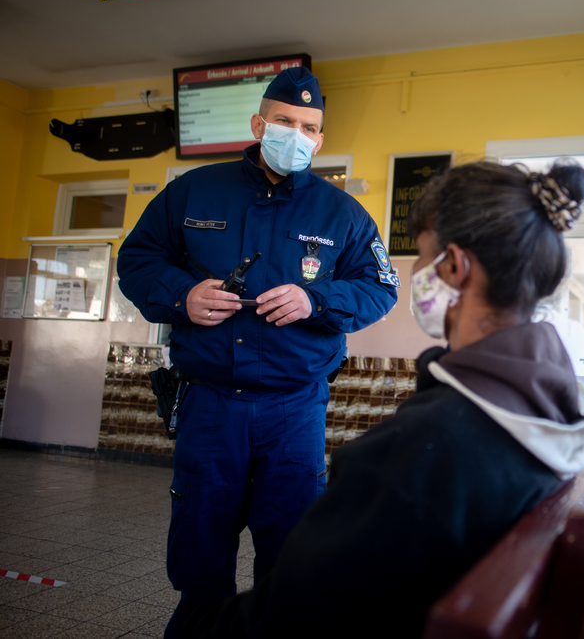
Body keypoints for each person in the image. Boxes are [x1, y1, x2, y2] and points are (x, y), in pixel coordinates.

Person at [176, 160, 584, 637]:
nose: (416, 273)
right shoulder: (558, 404)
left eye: (421, 256)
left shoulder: (418, 451)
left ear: (455, 266)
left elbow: (284, 621)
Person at [116, 67, 398, 638]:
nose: (297, 134)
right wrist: (182, 295)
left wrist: (315, 299)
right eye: (285, 122)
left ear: (320, 139)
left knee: (291, 551)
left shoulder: (343, 215)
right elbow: (138, 261)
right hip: (210, 404)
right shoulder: (193, 191)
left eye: (309, 127)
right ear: (258, 124)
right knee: (199, 546)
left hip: (294, 409)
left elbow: (381, 287)